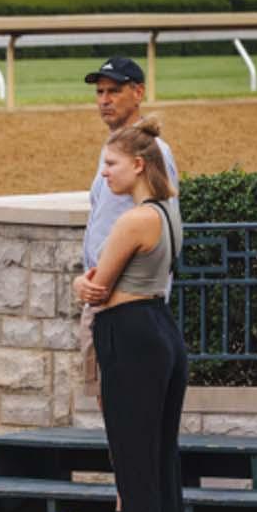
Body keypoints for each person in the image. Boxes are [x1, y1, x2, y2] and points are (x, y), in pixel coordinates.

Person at [73, 120, 190, 512]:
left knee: (132, 455)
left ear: (138, 165)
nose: (105, 173)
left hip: (129, 330)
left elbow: (96, 286)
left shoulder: (134, 219)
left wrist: (76, 286)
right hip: (160, 327)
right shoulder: (167, 211)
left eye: (111, 164)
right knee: (160, 453)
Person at [80, 57, 178, 405]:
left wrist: (96, 284)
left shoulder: (151, 152)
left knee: (127, 415)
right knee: (115, 411)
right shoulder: (117, 149)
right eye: (100, 92)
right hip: (109, 300)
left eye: (114, 91)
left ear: (138, 93)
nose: (104, 99)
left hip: (125, 307)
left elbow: (161, 221)